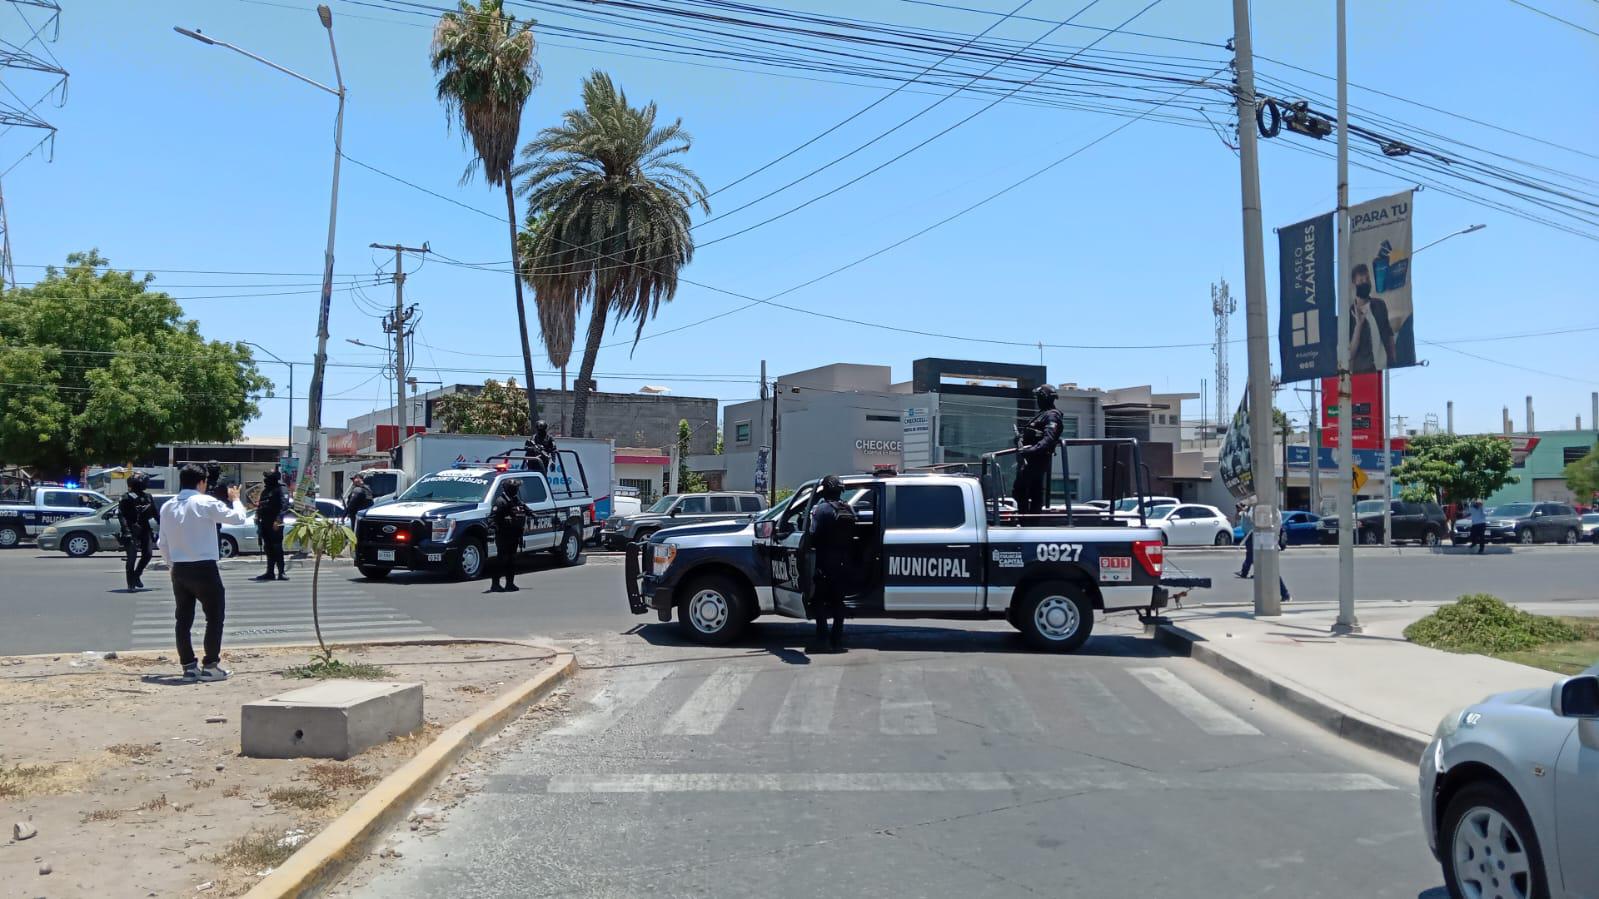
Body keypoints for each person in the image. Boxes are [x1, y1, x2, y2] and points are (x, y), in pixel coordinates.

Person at [157, 463, 249, 682]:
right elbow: (238, 519)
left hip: (179, 567)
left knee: (183, 620)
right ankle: (211, 665)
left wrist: (171, 566)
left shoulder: (167, 506)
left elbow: (162, 543)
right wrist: (236, 499)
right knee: (215, 618)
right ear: (201, 482)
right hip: (204, 567)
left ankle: (189, 667)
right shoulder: (205, 502)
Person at [802, 474, 857, 653]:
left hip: (825, 563)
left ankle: (822, 640)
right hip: (845, 563)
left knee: (818, 601)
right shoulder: (849, 508)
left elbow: (812, 534)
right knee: (838, 601)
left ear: (825, 490)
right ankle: (837, 639)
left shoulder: (821, 509)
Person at [1013, 384, 1065, 520]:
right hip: (1029, 460)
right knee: (1022, 491)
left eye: (1038, 397)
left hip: (1038, 460)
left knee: (1029, 491)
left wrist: (1030, 450)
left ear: (1044, 398)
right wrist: (1020, 439)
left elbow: (1048, 439)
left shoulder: (1052, 416)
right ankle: (1025, 520)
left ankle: (1030, 523)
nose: (1037, 400)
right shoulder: (1042, 415)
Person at [1348, 263, 1398, 373]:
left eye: (1367, 279)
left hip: (1384, 365)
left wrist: (1393, 359)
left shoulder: (1380, 305)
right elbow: (1350, 353)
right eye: (1361, 280)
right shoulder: (1349, 314)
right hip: (1363, 370)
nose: (1365, 283)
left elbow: (1388, 333)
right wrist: (1359, 325)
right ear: (1354, 283)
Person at [117, 473, 159, 591]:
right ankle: (130, 583)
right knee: (132, 557)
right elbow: (121, 515)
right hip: (130, 529)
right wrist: (126, 531)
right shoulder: (126, 497)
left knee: (148, 554)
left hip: (145, 528)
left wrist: (164, 526)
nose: (146, 484)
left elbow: (155, 514)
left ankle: (136, 575)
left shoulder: (148, 497)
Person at [489, 479, 531, 593]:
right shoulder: (500, 501)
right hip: (503, 535)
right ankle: (495, 584)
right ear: (508, 489)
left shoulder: (515, 500)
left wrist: (529, 512)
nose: (516, 490)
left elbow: (523, 508)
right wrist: (493, 526)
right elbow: (493, 517)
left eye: (517, 488)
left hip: (515, 534)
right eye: (514, 488)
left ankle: (510, 584)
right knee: (501, 559)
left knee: (512, 559)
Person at [254, 468, 290, 581]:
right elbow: (261, 505)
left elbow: (284, 506)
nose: (266, 480)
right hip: (265, 522)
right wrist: (257, 515)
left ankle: (281, 572)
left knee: (277, 547)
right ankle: (270, 572)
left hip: (275, 523)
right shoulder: (266, 491)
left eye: (268, 478)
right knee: (268, 548)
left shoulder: (281, 489)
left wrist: (278, 520)